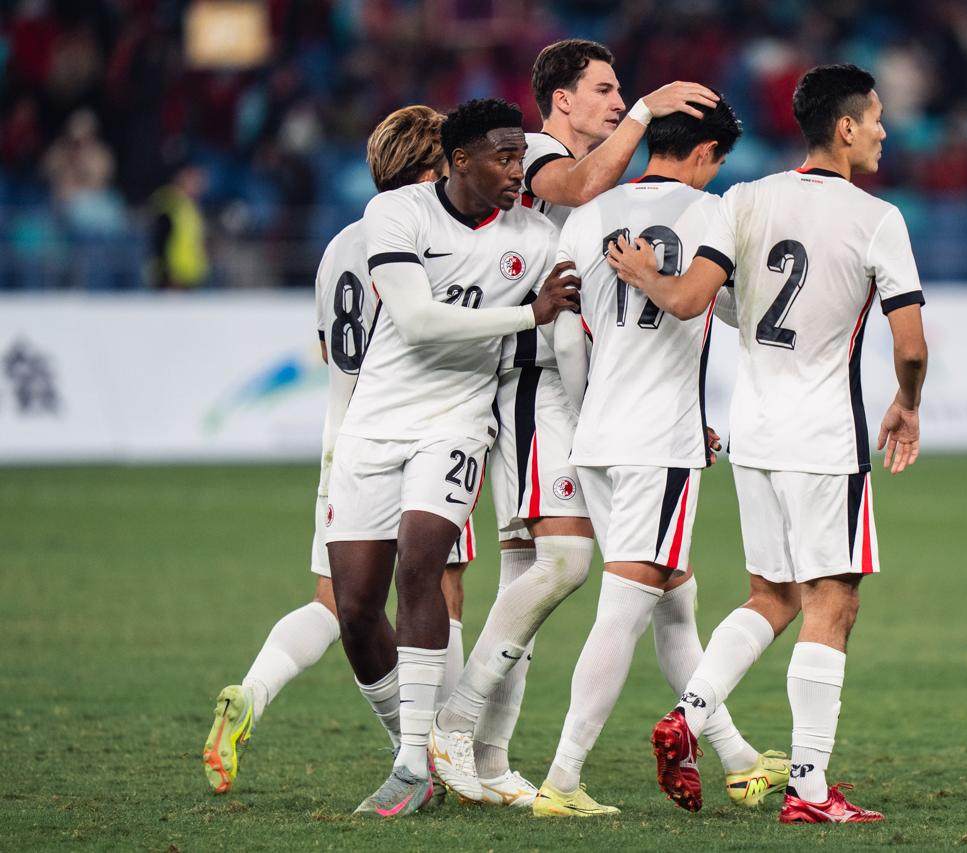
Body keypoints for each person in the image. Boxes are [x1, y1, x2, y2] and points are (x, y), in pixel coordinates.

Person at [607, 63, 928, 825]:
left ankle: (690, 713)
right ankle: (810, 789)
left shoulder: (742, 199)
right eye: (876, 117)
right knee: (835, 600)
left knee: (773, 594)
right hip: (822, 435)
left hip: (752, 430)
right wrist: (907, 404)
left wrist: (648, 273)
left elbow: (694, 302)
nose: (883, 130)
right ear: (845, 128)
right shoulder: (878, 219)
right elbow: (910, 345)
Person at [429, 38, 719, 804]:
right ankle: (454, 726)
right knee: (564, 566)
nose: (619, 102)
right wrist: (656, 109)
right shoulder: (533, 151)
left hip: (564, 380)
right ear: (561, 100)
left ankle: (488, 760)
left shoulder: (583, 173)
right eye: (605, 89)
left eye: (624, 92)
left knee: (544, 573)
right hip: (535, 382)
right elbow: (587, 181)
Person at [201, 105, 480, 796]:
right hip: (418, 436)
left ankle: (255, 692)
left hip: (344, 443)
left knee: (338, 602)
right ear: (429, 169)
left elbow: (332, 348)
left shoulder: (337, 246)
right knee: (439, 589)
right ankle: (441, 749)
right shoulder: (431, 239)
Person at [528, 97, 791, 818]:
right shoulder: (710, 215)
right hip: (656, 441)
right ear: (705, 152)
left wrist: (589, 418)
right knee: (625, 608)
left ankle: (738, 759)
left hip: (601, 436)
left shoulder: (588, 215)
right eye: (719, 160)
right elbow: (697, 306)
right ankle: (563, 775)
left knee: (675, 603)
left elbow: (567, 337)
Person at [325, 98, 578, 818]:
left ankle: (412, 762)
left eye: (521, 157)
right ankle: (413, 746)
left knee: (421, 564)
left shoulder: (533, 235)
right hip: (376, 422)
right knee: (354, 609)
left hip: (456, 422)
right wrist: (528, 313)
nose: (517, 171)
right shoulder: (399, 214)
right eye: (503, 156)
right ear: (459, 159)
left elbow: (564, 326)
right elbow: (417, 321)